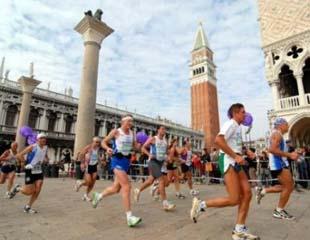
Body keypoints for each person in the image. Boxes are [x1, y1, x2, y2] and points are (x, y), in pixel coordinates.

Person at [190, 103, 259, 240]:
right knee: (234, 199)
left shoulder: (237, 127)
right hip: (228, 161)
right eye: (243, 112)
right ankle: (201, 205)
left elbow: (234, 143)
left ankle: (239, 229)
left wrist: (246, 151)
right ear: (235, 113)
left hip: (236, 162)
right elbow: (218, 140)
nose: (245, 114)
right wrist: (235, 156)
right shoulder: (231, 124)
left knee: (247, 193)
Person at [91, 115, 142, 227]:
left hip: (126, 162)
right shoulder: (116, 131)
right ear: (122, 122)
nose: (131, 123)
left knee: (116, 188)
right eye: (129, 121)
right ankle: (129, 217)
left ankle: (98, 196)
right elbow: (104, 142)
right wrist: (107, 148)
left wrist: (140, 145)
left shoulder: (132, 133)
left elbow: (135, 147)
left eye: (131, 121)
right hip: (116, 160)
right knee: (127, 186)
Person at [255, 118, 299, 220]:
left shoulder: (278, 135)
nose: (288, 126)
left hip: (280, 164)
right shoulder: (277, 134)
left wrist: (291, 155)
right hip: (279, 165)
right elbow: (272, 149)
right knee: (289, 187)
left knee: (287, 187)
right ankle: (278, 211)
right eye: (286, 124)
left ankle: (263, 191)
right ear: (280, 125)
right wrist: (290, 155)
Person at [134, 125, 176, 211]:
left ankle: (138, 190)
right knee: (161, 180)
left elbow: (165, 152)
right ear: (158, 130)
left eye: (165, 129)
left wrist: (168, 157)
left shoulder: (165, 141)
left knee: (151, 181)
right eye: (162, 129)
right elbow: (143, 148)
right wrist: (149, 154)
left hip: (160, 163)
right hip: (153, 162)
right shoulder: (153, 138)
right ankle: (165, 204)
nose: (164, 130)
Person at [9, 133, 49, 214]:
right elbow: (19, 155)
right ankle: (18, 188)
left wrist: (46, 159)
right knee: (28, 192)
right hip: (30, 170)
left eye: (44, 138)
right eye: (41, 138)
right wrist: (24, 162)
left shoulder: (45, 148)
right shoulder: (33, 147)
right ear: (38, 139)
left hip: (39, 170)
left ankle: (28, 207)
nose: (43, 139)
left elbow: (44, 156)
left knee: (38, 189)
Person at [74, 137, 104, 201]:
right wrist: (82, 163)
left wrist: (100, 161)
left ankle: (86, 195)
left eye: (98, 142)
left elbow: (97, 155)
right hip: (88, 166)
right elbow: (81, 154)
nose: (97, 143)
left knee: (92, 183)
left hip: (94, 166)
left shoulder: (98, 148)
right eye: (96, 142)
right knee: (88, 182)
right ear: (93, 142)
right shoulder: (88, 147)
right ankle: (80, 183)